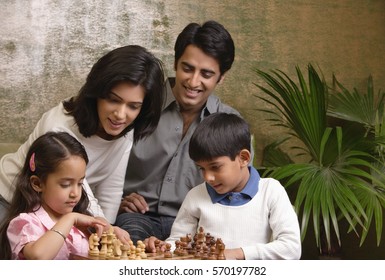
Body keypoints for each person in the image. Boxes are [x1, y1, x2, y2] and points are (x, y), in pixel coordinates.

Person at [0, 45, 165, 242]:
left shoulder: (124, 131)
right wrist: (104, 227)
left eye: (133, 106)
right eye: (113, 100)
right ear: (97, 93)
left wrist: (107, 231)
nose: (121, 115)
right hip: (9, 200)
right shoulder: (58, 127)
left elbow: (110, 189)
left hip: (56, 213)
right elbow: (82, 192)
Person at [115, 20, 246, 243]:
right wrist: (117, 201)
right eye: (187, 68)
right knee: (130, 253)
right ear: (175, 63)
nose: (193, 81)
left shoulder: (229, 123)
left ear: (221, 77)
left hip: (197, 223)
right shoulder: (139, 105)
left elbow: (240, 188)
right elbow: (100, 161)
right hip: (137, 218)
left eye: (206, 74)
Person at [147, 113, 302, 260]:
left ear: (243, 158)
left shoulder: (271, 191)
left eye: (215, 167)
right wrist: (164, 246)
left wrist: (237, 253)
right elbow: (180, 242)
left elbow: (292, 248)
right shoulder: (195, 196)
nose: (208, 177)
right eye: (202, 168)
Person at [0, 131, 107, 259]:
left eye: (80, 183)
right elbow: (38, 257)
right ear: (37, 183)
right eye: (66, 184)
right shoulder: (26, 223)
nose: (76, 193)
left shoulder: (81, 225)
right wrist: (69, 219)